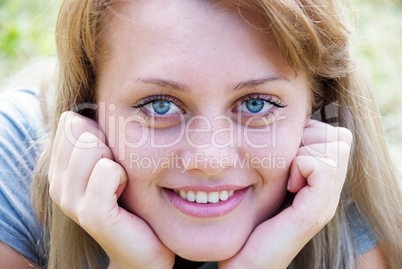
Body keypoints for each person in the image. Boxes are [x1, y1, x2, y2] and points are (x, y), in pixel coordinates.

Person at [0, 0, 401, 268]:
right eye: (160, 105)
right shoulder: (12, 161)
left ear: (316, 110)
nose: (210, 159)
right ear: (88, 109)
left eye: (257, 104)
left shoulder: (358, 198)